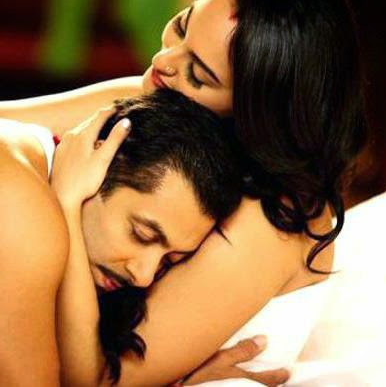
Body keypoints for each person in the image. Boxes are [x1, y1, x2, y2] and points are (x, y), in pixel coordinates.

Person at [0, 0, 367, 385]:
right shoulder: (161, 96)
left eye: (199, 73)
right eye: (180, 26)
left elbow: (101, 380)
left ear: (254, 114)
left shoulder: (270, 219)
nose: (163, 61)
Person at [0, 90, 289, 386]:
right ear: (101, 159)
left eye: (169, 260)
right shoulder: (22, 204)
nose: (144, 276)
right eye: (142, 235)